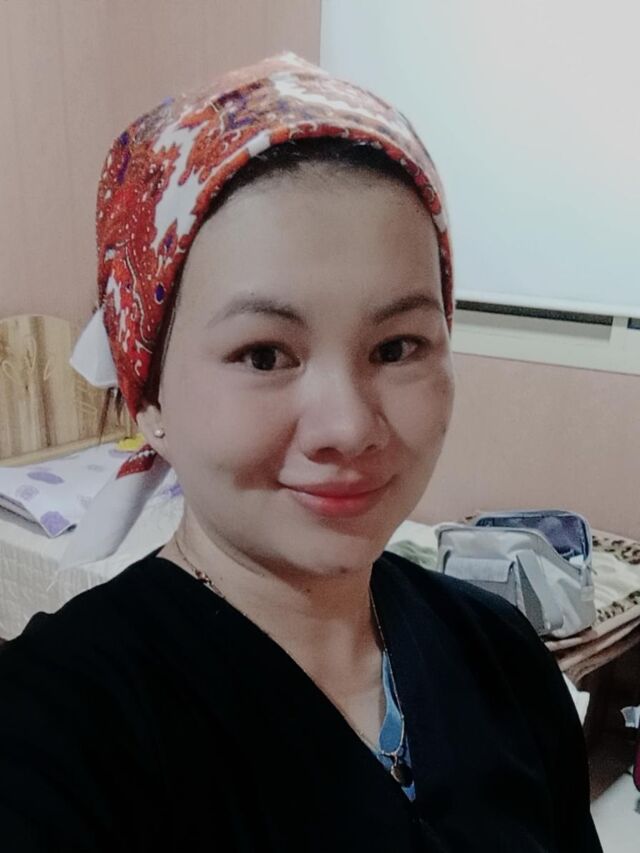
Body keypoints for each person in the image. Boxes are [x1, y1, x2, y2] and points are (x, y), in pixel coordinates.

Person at [0, 52, 602, 852]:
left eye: (396, 346)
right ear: (148, 395)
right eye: (264, 354)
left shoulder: (503, 656)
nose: (347, 427)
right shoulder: (54, 729)